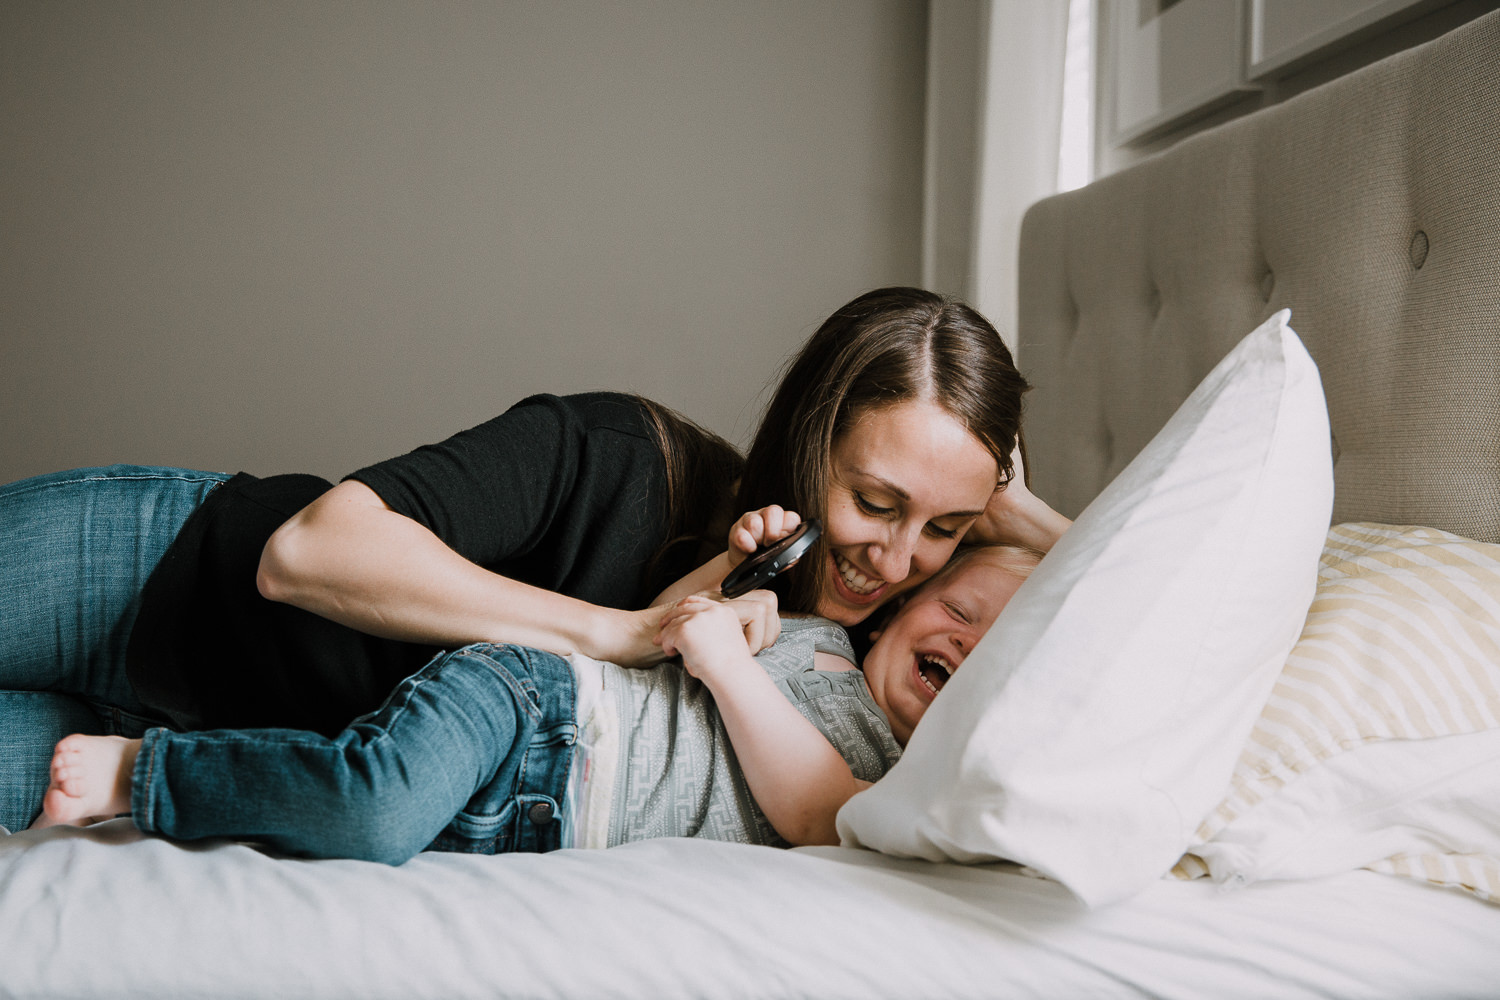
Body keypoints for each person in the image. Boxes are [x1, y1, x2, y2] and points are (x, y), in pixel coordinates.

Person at [0, 286, 1070, 832]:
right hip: (156, 574)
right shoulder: (620, 454)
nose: (895, 557)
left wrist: (1026, 516)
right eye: (875, 500)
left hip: (193, 750)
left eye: (943, 527)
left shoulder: (860, 662)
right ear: (810, 438)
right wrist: (619, 632)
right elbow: (305, 551)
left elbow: (1155, 618)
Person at [38, 544, 1041, 861]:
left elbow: (821, 812)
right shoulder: (818, 637)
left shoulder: (904, 782)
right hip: (535, 706)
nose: (965, 639)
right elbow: (676, 628)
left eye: (1001, 646)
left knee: (350, 826)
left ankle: (179, 762)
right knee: (372, 803)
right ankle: (140, 768)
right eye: (960, 607)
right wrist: (732, 615)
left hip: (531, 824)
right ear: (905, 606)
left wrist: (728, 666)